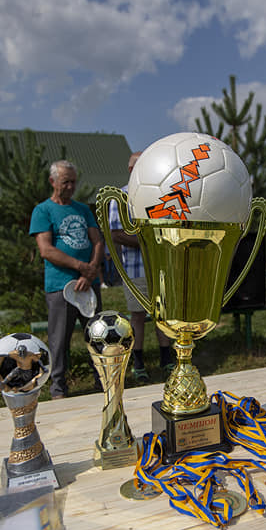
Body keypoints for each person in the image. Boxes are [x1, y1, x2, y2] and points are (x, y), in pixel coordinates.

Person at [29, 160, 105, 398]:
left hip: (88, 284)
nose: (71, 186)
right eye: (66, 182)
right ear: (53, 182)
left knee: (97, 334)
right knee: (59, 340)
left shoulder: (82, 209)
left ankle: (102, 380)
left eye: (73, 182)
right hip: (60, 285)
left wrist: (91, 270)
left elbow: (98, 241)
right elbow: (46, 250)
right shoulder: (42, 210)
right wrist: (82, 267)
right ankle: (58, 388)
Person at [109, 151, 172, 382]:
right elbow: (117, 234)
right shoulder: (121, 197)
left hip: (160, 268)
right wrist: (150, 242)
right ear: (130, 170)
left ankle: (167, 359)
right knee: (137, 316)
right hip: (135, 268)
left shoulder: (159, 195)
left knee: (163, 314)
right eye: (139, 166)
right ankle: (138, 361)